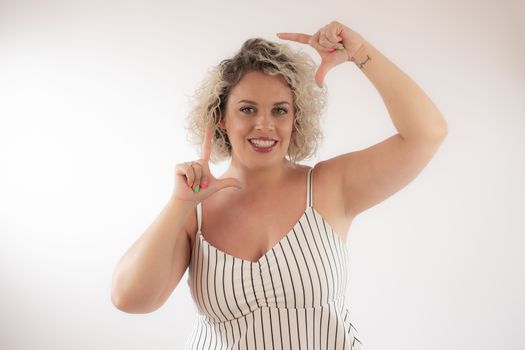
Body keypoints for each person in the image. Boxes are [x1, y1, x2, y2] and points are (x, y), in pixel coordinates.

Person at [111, 20, 448, 349]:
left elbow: (427, 133)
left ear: (295, 118)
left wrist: (360, 52)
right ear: (221, 118)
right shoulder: (194, 212)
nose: (264, 125)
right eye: (247, 109)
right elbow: (128, 298)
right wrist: (179, 203)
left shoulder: (330, 187)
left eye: (279, 111)